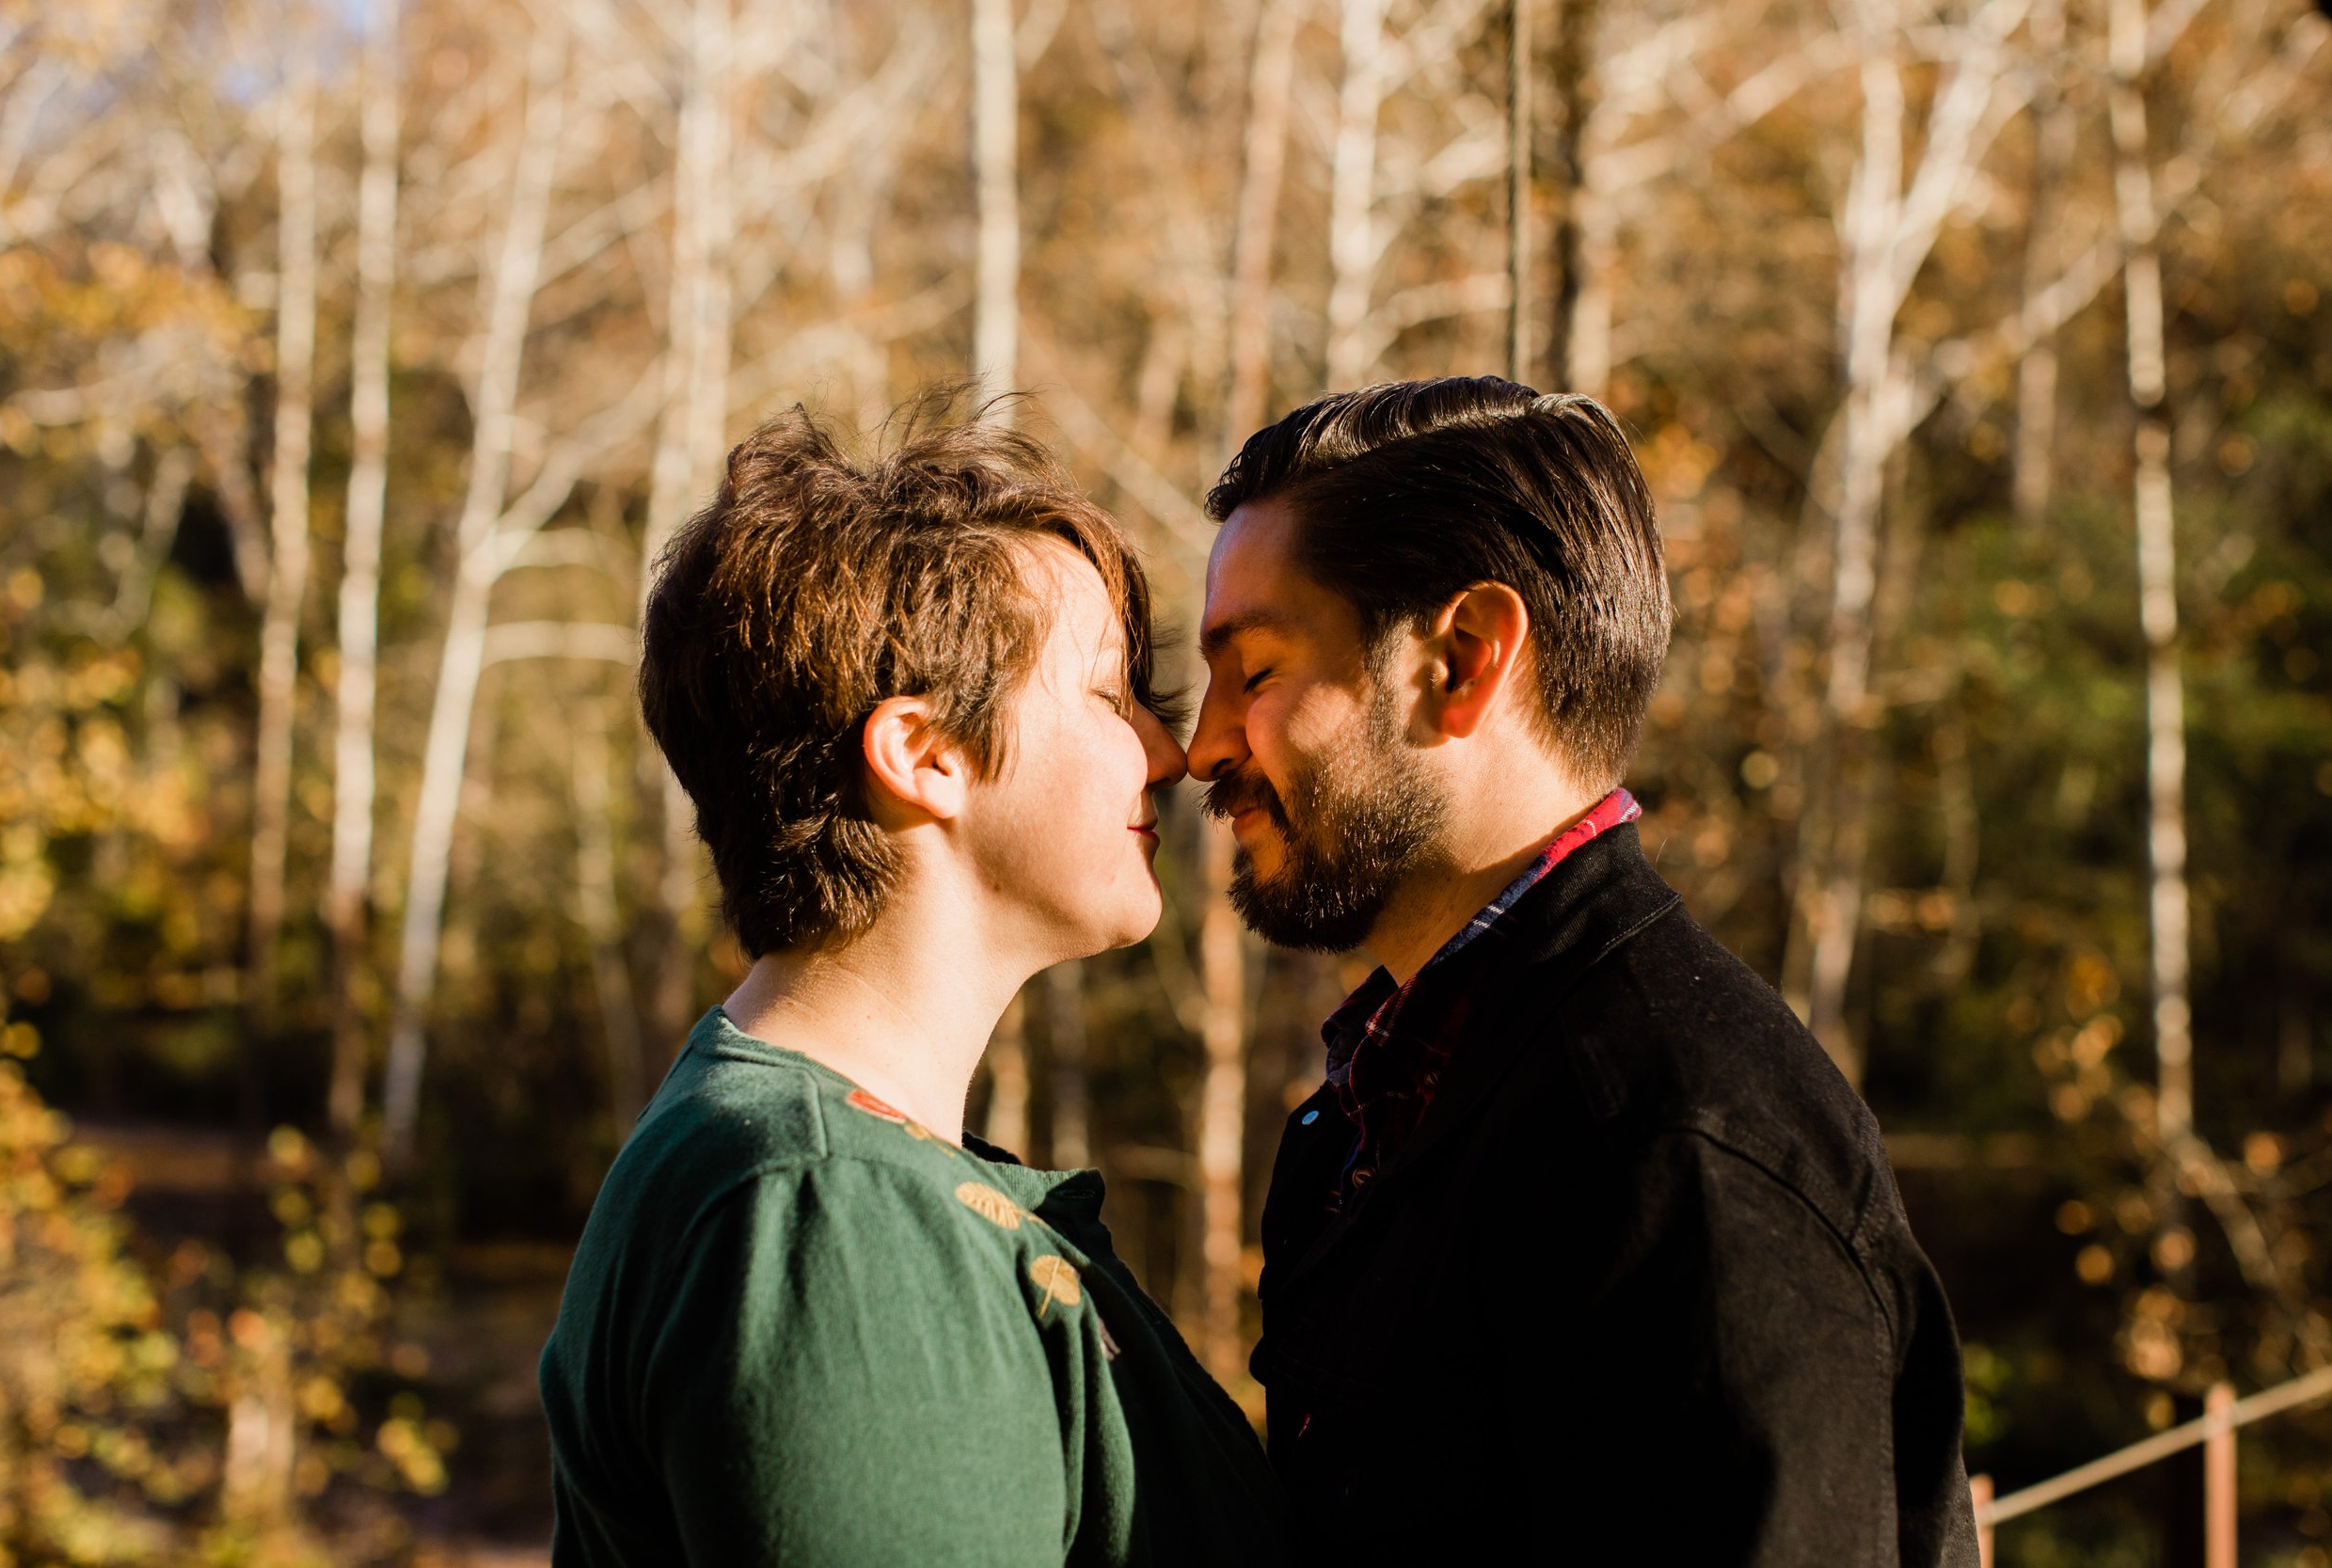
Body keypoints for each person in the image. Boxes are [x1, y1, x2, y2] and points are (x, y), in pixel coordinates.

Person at [1188, 377, 1978, 1566]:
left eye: (1252, 673)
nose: (1201, 744)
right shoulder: (1366, 1123)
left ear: (1459, 660)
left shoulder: (1678, 1147)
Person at [540, 402, 1292, 1566]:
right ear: (921, 753)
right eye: (1109, 695)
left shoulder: (819, 1168)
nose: (1170, 749)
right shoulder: (830, 1216)